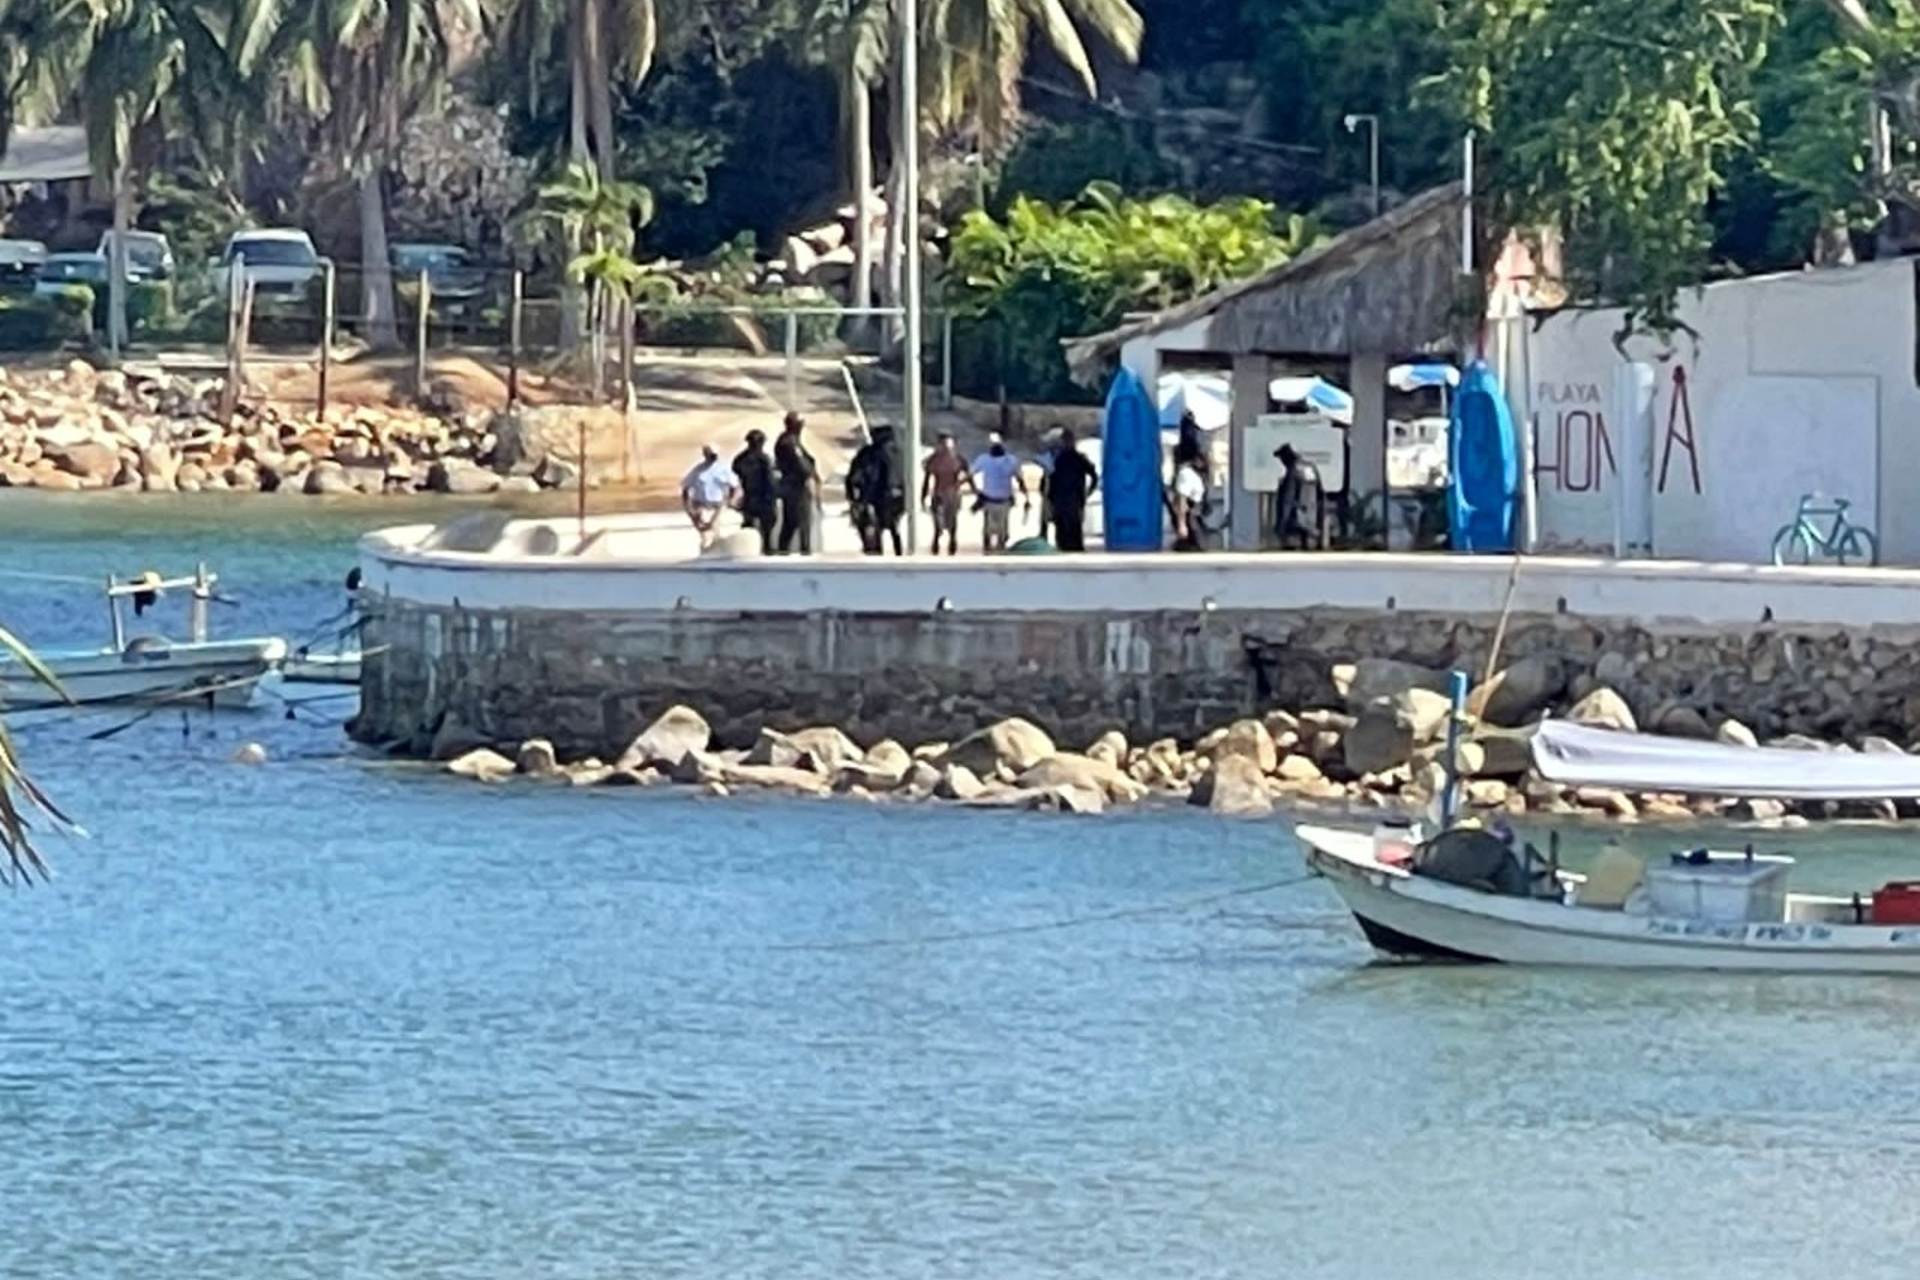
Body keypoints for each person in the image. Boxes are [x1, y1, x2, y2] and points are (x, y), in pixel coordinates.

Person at [847, 423, 905, 555]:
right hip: (898, 497)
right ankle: (898, 553)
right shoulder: (900, 453)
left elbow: (859, 475)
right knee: (894, 528)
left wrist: (858, 498)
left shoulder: (870, 453)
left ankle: (875, 552)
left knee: (873, 527)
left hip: (876, 497)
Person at [970, 432, 1028, 554]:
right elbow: (1020, 480)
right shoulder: (1008, 460)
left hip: (998, 500)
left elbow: (970, 474)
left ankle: (995, 549)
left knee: (998, 531)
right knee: (993, 530)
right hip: (996, 500)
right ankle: (992, 549)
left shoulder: (1003, 460)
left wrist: (1026, 495)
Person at [1047, 427, 1099, 552]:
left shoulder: (1064, 458)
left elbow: (1093, 475)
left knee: (1069, 524)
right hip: (1069, 496)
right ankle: (1071, 546)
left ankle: (1068, 546)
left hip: (1068, 497)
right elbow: (1093, 475)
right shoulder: (1070, 458)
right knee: (1068, 524)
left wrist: (1089, 490)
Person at [680, 443, 739, 550]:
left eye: (714, 455)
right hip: (700, 504)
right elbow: (686, 487)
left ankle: (716, 552)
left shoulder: (723, 469)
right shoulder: (698, 470)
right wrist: (689, 508)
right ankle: (705, 553)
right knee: (705, 535)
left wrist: (730, 500)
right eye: (710, 455)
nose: (712, 457)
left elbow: (734, 485)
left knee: (715, 530)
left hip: (717, 505)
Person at [774, 412, 818, 555]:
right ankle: (803, 550)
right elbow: (800, 464)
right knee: (800, 520)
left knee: (793, 521)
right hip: (796, 486)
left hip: (792, 485)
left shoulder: (790, 440)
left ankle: (786, 548)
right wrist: (809, 476)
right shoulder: (789, 442)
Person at [922, 432, 973, 555]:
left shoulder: (959, 459)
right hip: (938, 494)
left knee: (952, 521)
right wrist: (922, 496)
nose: (945, 448)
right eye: (943, 444)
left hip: (953, 494)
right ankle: (936, 542)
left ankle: (952, 543)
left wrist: (972, 488)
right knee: (938, 522)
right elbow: (927, 479)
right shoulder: (933, 459)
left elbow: (969, 475)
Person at [732, 429, 777, 554]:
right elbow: (769, 481)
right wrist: (773, 496)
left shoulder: (739, 459)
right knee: (767, 526)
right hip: (762, 497)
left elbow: (735, 478)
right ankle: (766, 548)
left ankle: (748, 549)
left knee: (749, 525)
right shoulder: (764, 459)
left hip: (748, 497)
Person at [1274, 443, 1323, 549]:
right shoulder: (1311, 468)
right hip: (1311, 519)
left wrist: (1281, 524)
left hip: (1295, 523)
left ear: (1287, 458)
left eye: (1282, 459)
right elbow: (1320, 494)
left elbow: (1288, 499)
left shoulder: (1293, 471)